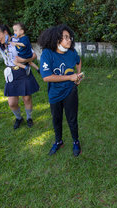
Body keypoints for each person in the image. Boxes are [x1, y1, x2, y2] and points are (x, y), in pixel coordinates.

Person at [38, 24, 82, 157]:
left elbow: (78, 62)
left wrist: (78, 76)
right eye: (66, 37)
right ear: (56, 40)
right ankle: (58, 141)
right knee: (56, 119)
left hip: (70, 91)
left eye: (70, 37)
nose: (70, 40)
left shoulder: (72, 52)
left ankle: (76, 141)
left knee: (72, 118)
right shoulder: (47, 54)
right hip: (55, 93)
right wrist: (70, 76)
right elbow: (46, 77)